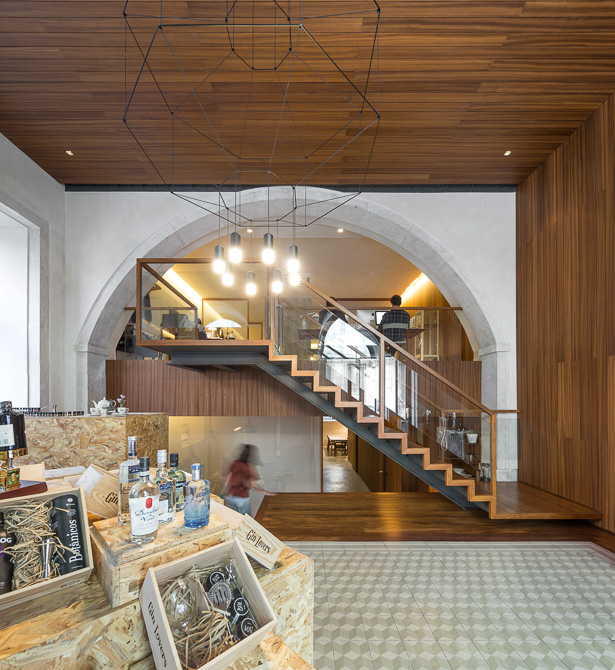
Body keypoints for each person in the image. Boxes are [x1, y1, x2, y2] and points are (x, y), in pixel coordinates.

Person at [221, 444, 276, 515]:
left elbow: (227, 480)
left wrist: (222, 493)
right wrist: (266, 492)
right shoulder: (249, 466)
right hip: (242, 499)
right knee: (245, 519)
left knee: (233, 519)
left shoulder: (235, 463)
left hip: (230, 497)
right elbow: (253, 484)